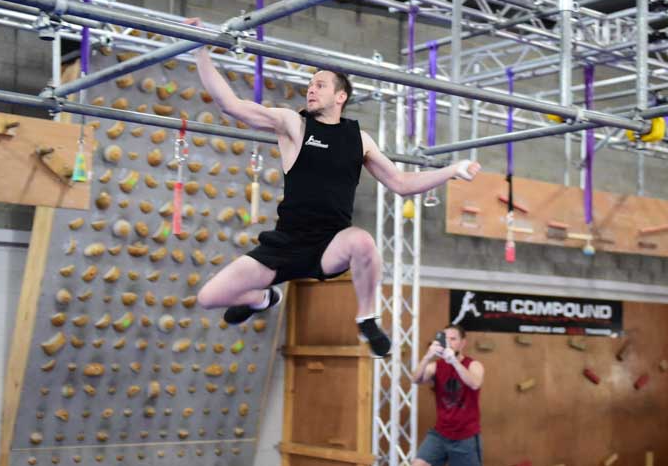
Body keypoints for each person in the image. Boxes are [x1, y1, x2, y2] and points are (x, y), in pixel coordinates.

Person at [187, 18, 481, 356]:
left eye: (320, 85)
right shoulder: (294, 124)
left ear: (341, 96)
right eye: (310, 84)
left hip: (330, 244)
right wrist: (201, 51)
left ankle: (367, 318)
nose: (311, 90)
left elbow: (401, 183)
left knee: (363, 241)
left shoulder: (360, 139)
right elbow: (231, 105)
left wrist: (451, 170)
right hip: (284, 244)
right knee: (208, 297)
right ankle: (263, 298)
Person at [409, 325, 485, 466]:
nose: (449, 342)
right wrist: (427, 356)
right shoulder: (436, 366)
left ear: (462, 343)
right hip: (441, 432)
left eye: (453, 339)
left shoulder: (474, 365)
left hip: (466, 434)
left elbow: (474, 383)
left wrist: (454, 362)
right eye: (446, 339)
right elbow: (415, 379)